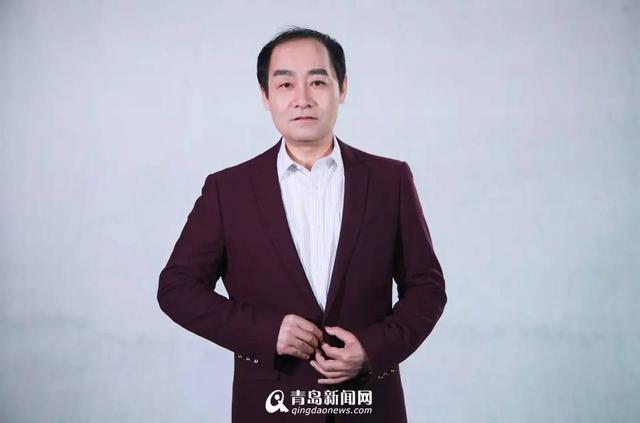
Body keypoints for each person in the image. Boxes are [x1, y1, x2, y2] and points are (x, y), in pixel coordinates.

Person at [157, 26, 447, 423]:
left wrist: (372, 349)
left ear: (342, 88)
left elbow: (427, 287)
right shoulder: (229, 190)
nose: (302, 99)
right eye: (285, 84)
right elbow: (177, 288)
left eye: (317, 81)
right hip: (272, 407)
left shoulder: (389, 180)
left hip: (369, 407)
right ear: (265, 96)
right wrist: (265, 332)